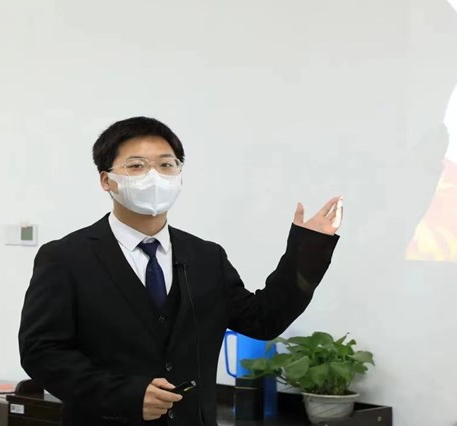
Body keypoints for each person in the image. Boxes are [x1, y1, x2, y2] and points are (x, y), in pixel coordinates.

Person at [18, 116, 341, 426]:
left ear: (179, 175)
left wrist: (308, 250)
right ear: (106, 180)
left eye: (166, 165)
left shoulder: (206, 257)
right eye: (136, 166)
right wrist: (124, 395)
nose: (154, 176)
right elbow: (42, 352)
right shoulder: (66, 257)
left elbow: (263, 319)